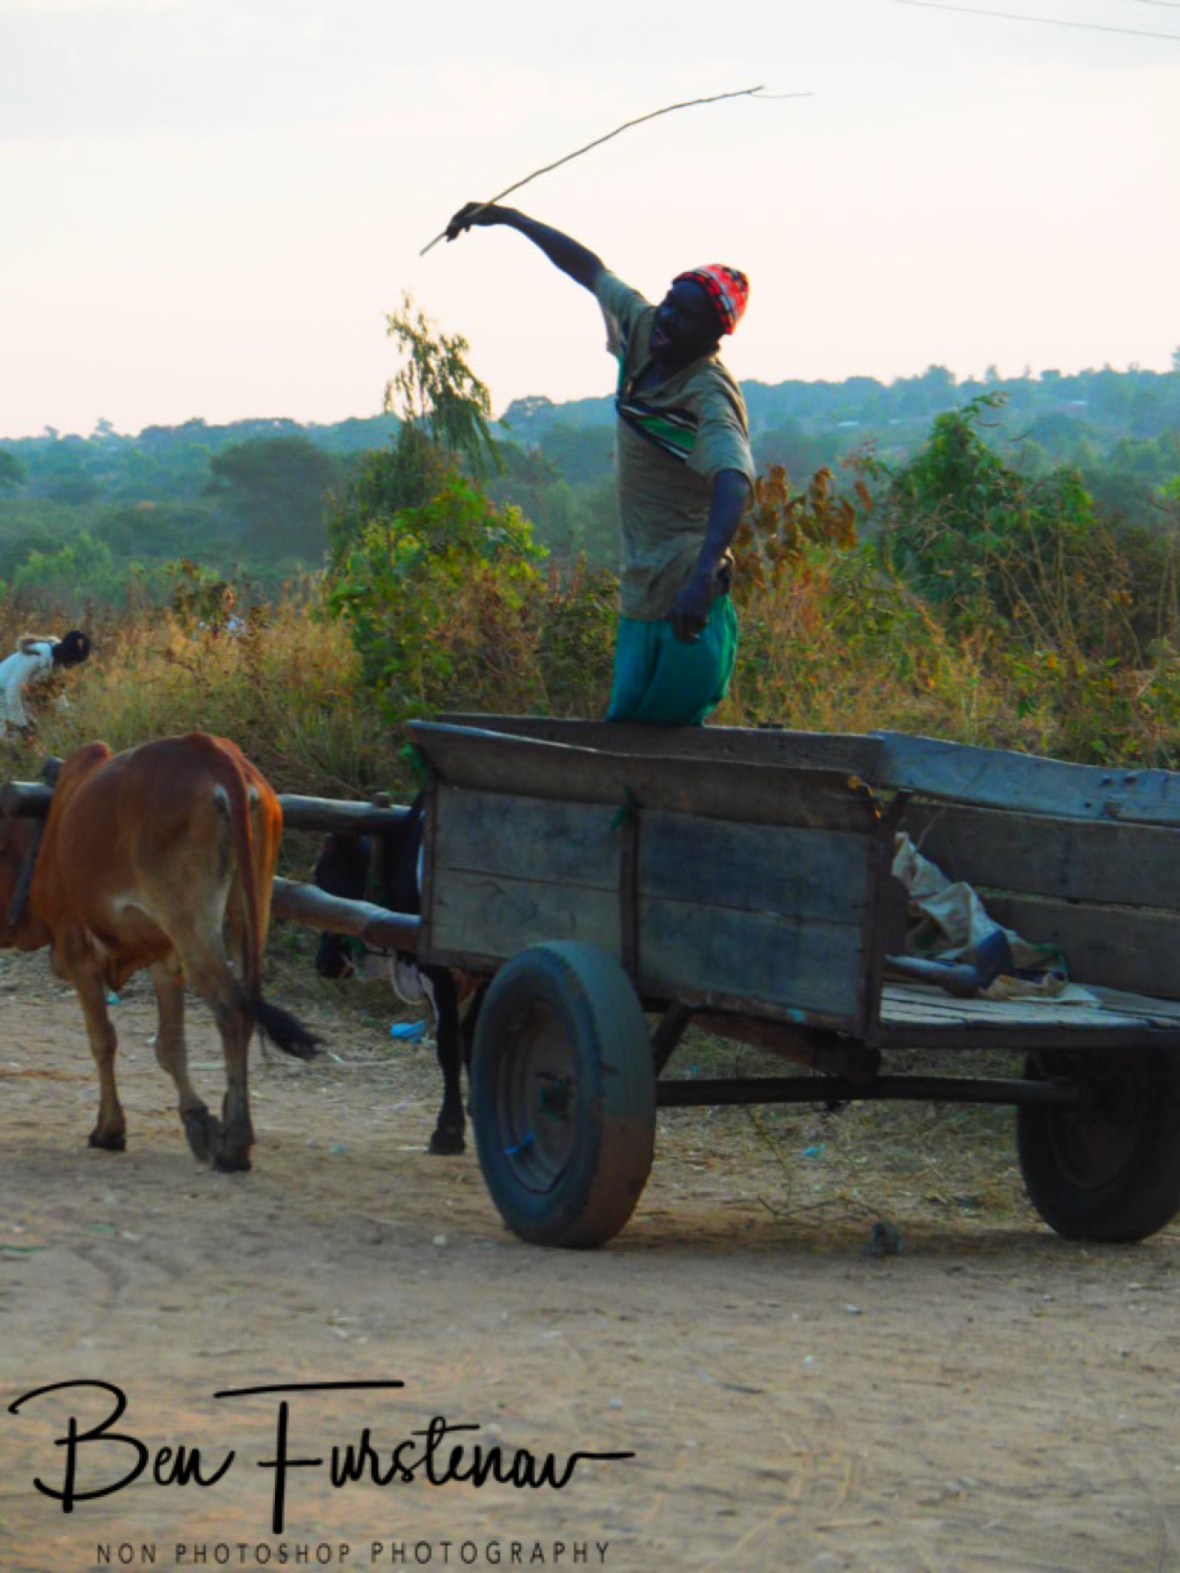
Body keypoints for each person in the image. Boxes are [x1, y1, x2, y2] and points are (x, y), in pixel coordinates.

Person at [446, 202, 756, 726]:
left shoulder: (707, 393)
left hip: (686, 600)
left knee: (660, 754)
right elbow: (589, 269)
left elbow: (734, 479)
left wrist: (703, 577)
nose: (668, 319)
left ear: (714, 338)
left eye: (686, 318)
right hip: (641, 595)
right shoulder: (643, 327)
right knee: (626, 739)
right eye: (669, 303)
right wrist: (509, 218)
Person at [0, 630, 91, 736]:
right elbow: (12, 690)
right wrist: (21, 725)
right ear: (66, 654)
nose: (73, 666)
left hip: (11, 699)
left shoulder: (58, 665)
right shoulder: (36, 657)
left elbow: (57, 696)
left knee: (33, 733)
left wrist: (72, 726)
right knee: (11, 738)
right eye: (73, 661)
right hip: (3, 693)